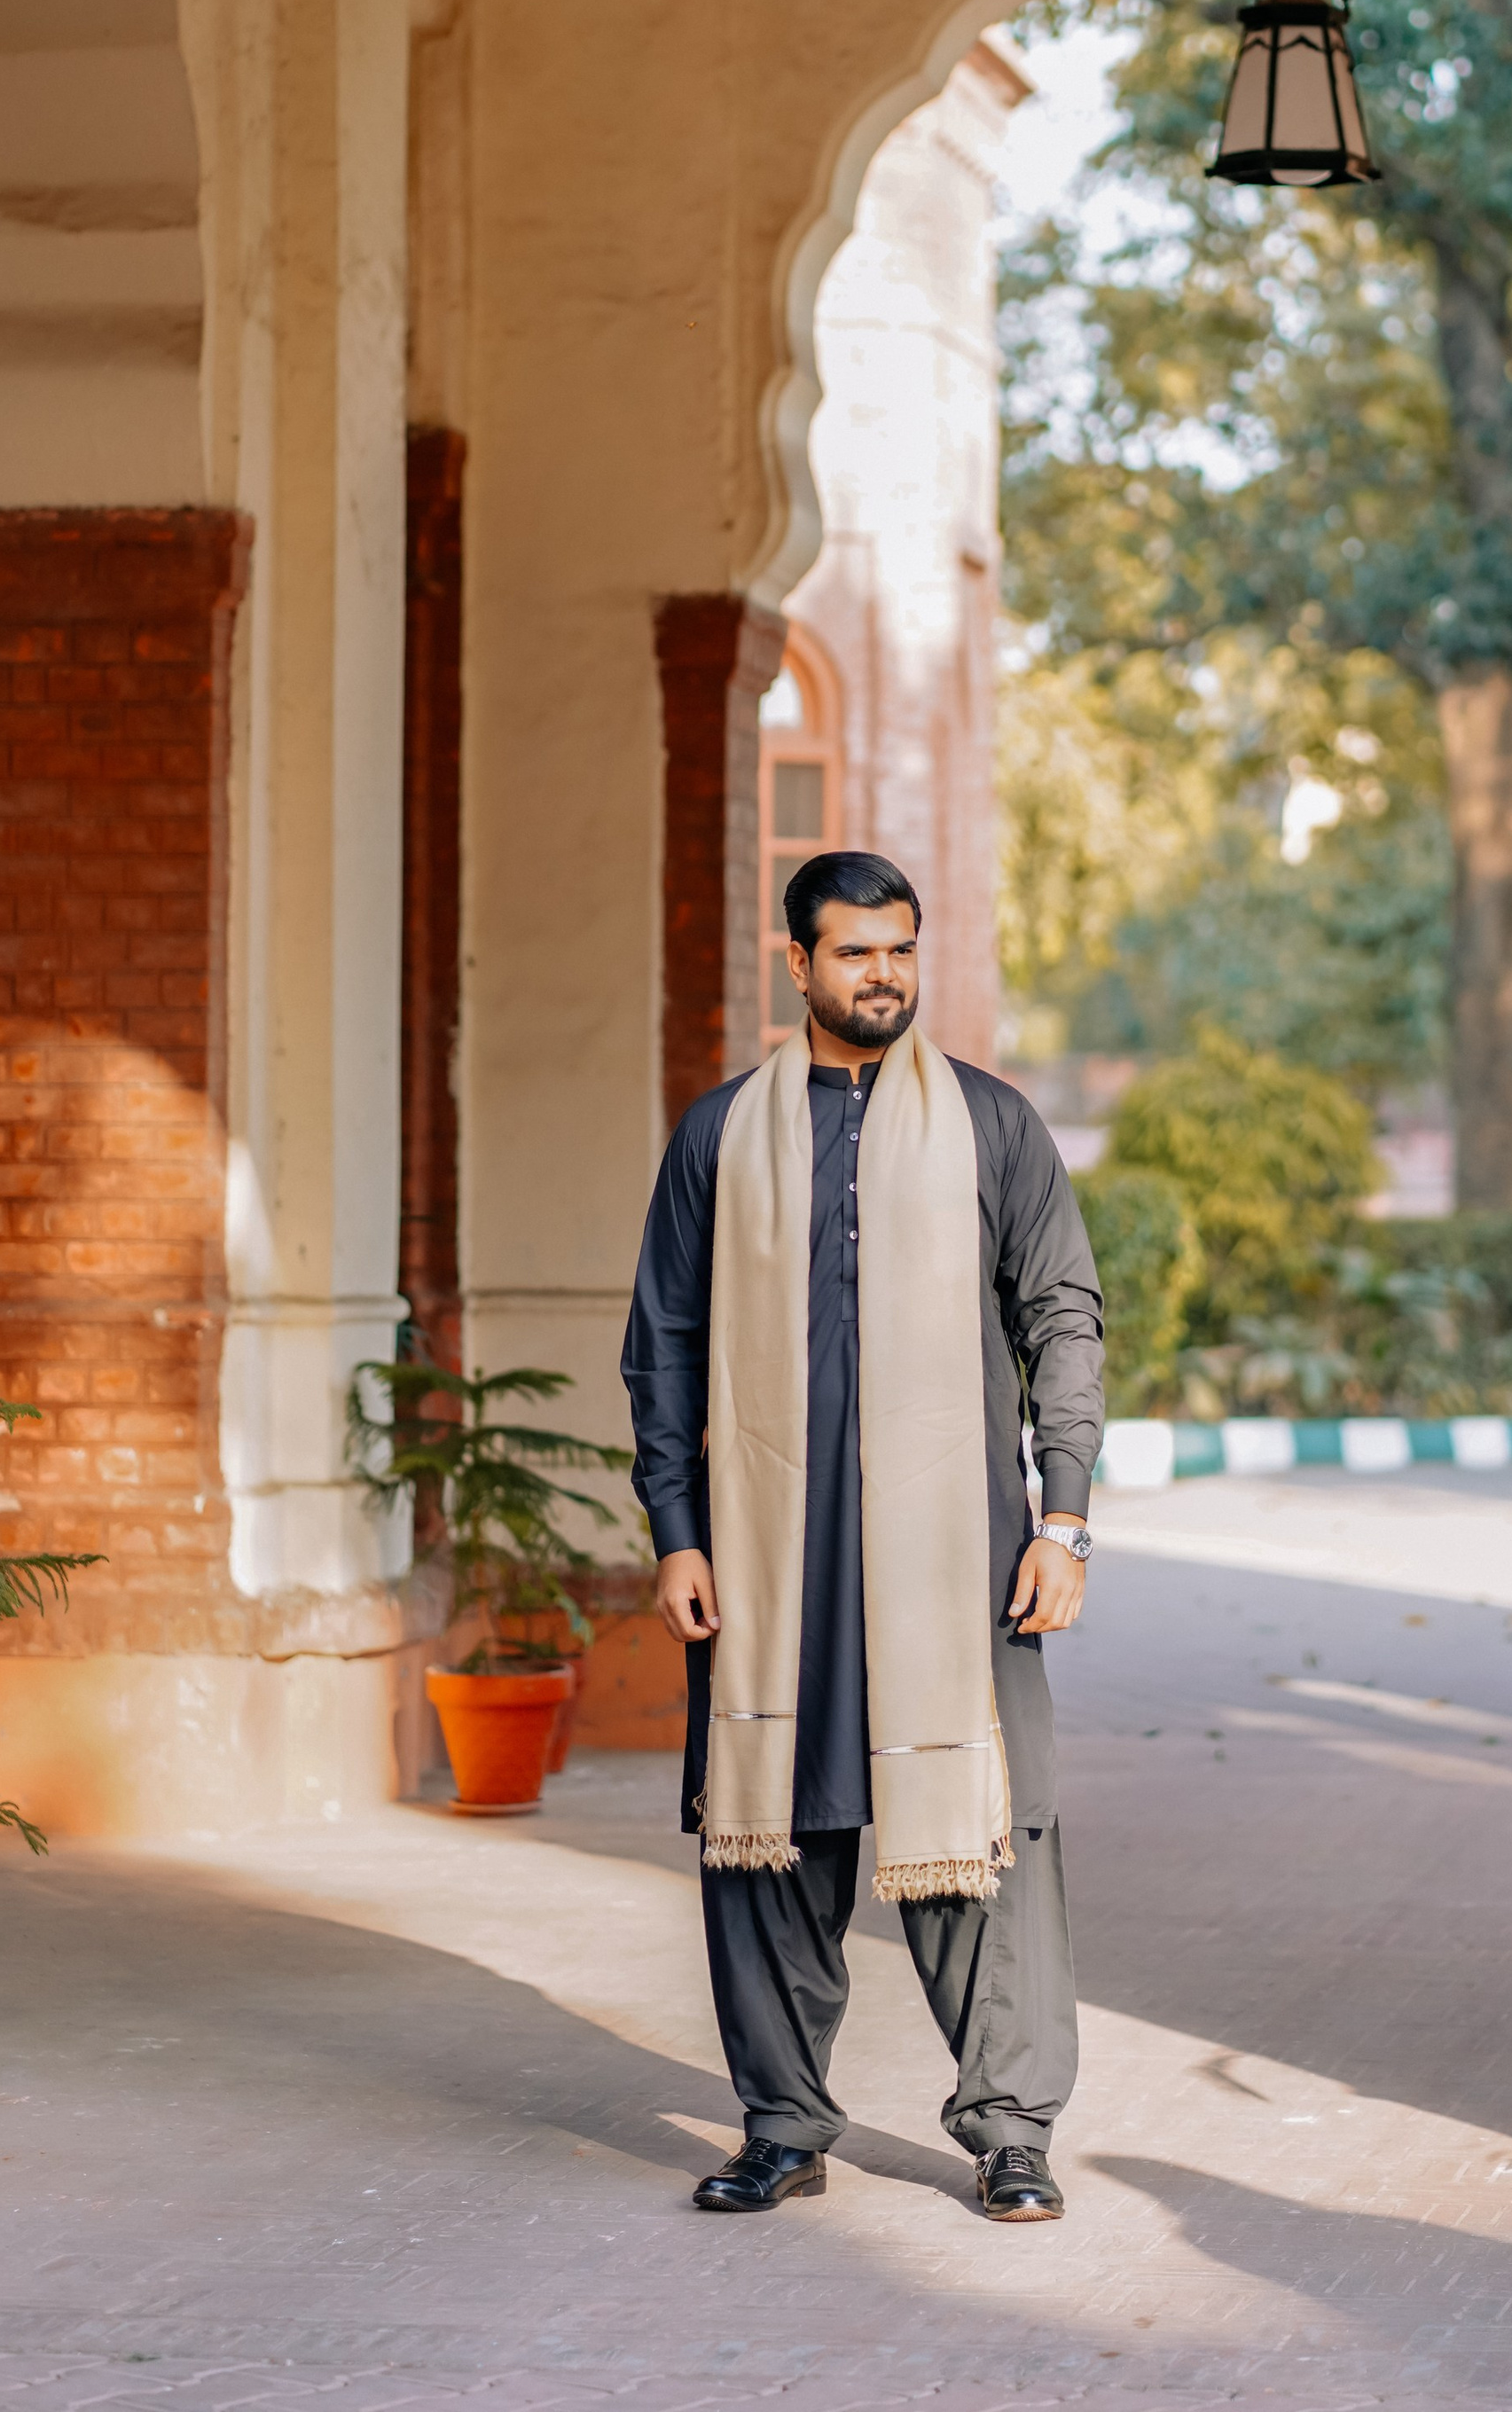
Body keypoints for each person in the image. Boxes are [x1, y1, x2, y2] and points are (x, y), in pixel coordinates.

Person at [621, 846, 1104, 2223]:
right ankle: (783, 2120)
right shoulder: (722, 1135)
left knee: (987, 1841)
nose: (884, 973)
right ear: (798, 964)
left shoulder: (994, 1127)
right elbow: (661, 1346)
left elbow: (1061, 1316)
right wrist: (677, 1528)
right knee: (769, 1838)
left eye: (901, 949)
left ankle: (1010, 2128)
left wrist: (1061, 1517)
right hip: (777, 1558)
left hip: (959, 1562)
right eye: (854, 952)